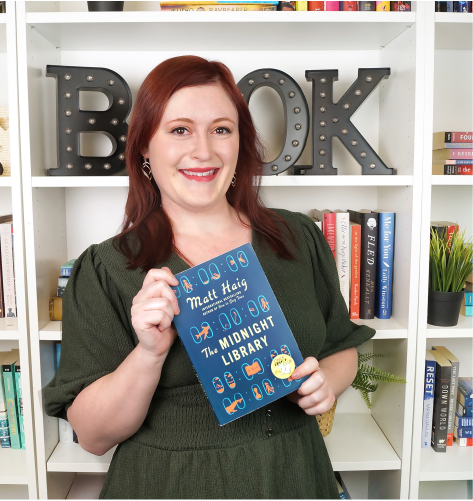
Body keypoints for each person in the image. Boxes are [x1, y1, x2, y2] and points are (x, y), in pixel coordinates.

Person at [43, 55, 376, 499]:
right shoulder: (107, 269)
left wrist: (324, 385)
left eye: (221, 129)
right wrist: (148, 353)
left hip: (295, 475)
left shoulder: (297, 237)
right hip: (171, 485)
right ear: (144, 145)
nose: (203, 150)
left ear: (241, 143)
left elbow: (341, 347)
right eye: (179, 129)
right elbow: (93, 436)